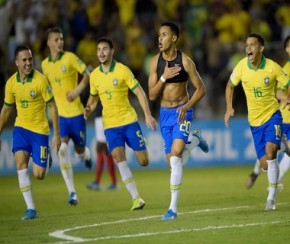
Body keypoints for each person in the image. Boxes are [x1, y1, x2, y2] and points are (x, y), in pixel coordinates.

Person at [84, 36, 157, 210]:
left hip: (129, 121)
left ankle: (142, 145)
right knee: (117, 156)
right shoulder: (94, 76)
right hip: (110, 125)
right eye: (99, 49)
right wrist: (87, 109)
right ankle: (136, 198)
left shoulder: (123, 70)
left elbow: (139, 92)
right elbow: (93, 100)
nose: (101, 53)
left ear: (112, 51)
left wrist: (147, 115)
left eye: (105, 49)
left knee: (144, 161)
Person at [148, 22, 207, 221]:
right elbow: (152, 95)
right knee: (173, 165)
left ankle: (172, 209)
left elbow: (201, 89)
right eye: (159, 34)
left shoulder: (185, 61)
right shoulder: (155, 62)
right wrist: (164, 77)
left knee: (175, 156)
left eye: (164, 34)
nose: (160, 38)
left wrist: (187, 106)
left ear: (173, 38)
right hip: (165, 115)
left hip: (183, 113)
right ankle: (195, 140)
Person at [224, 33, 290, 211]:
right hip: (254, 122)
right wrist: (229, 108)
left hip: (272, 116)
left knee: (270, 154)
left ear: (261, 48)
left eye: (253, 45)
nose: (248, 48)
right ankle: (283, 145)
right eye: (247, 45)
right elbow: (230, 85)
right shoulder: (241, 67)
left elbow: (287, 82)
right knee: (264, 165)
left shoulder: (273, 67)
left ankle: (271, 199)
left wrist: (287, 98)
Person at [0, 45, 61, 220]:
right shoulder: (11, 83)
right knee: (20, 164)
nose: (28, 63)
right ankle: (31, 209)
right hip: (21, 129)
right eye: (24, 60)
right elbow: (5, 111)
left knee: (39, 175)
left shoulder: (40, 80)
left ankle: (45, 159)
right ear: (17, 62)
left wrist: (56, 134)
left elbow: (52, 106)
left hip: (39, 131)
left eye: (30, 59)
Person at [41, 26, 92, 206]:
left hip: (76, 114)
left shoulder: (70, 58)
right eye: (56, 39)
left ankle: (86, 155)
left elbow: (87, 74)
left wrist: (77, 91)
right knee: (62, 149)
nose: (60, 42)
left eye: (61, 39)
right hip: (60, 116)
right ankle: (72, 192)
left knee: (79, 150)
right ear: (49, 43)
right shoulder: (44, 65)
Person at [246, 35, 290, 190]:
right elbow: (279, 92)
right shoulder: (286, 69)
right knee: (271, 151)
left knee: (271, 151)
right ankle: (269, 177)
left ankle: (264, 175)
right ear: (286, 49)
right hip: (285, 117)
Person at [86, 102, 118, 191]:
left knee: (106, 151)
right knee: (100, 151)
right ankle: (97, 181)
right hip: (98, 120)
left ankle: (114, 182)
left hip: (104, 118)